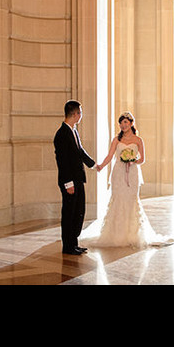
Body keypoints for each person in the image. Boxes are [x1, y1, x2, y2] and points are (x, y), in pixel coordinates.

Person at [79, 112, 174, 248]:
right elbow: (110, 156)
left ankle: (132, 234)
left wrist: (132, 160)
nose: (123, 125)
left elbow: (142, 159)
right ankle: (116, 234)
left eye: (125, 122)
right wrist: (100, 166)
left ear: (131, 123)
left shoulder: (138, 140)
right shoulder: (116, 140)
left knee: (131, 199)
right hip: (118, 172)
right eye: (121, 122)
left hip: (133, 173)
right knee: (118, 199)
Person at [53, 100, 96, 255]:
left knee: (79, 211)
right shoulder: (61, 134)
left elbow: (80, 151)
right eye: (80, 112)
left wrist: (93, 165)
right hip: (69, 181)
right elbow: (62, 162)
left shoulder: (73, 130)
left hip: (78, 178)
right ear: (75, 113)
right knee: (69, 213)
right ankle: (68, 246)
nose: (81, 115)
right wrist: (68, 183)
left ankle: (74, 243)